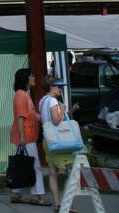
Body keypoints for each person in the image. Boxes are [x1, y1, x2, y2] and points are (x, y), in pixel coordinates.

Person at [10, 68, 49, 206]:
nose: (34, 78)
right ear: (25, 78)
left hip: (27, 136)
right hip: (26, 137)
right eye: (31, 76)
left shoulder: (25, 94)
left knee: (23, 165)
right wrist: (22, 137)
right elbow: (20, 117)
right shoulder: (21, 95)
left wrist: (48, 120)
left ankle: (16, 193)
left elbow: (32, 114)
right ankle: (37, 196)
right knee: (35, 166)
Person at [39, 76, 79, 211]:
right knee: (71, 171)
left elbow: (47, 119)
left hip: (48, 139)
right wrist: (62, 108)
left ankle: (58, 203)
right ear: (51, 87)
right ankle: (67, 204)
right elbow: (56, 121)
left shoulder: (42, 101)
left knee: (52, 172)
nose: (60, 89)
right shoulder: (53, 101)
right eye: (58, 86)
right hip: (60, 140)